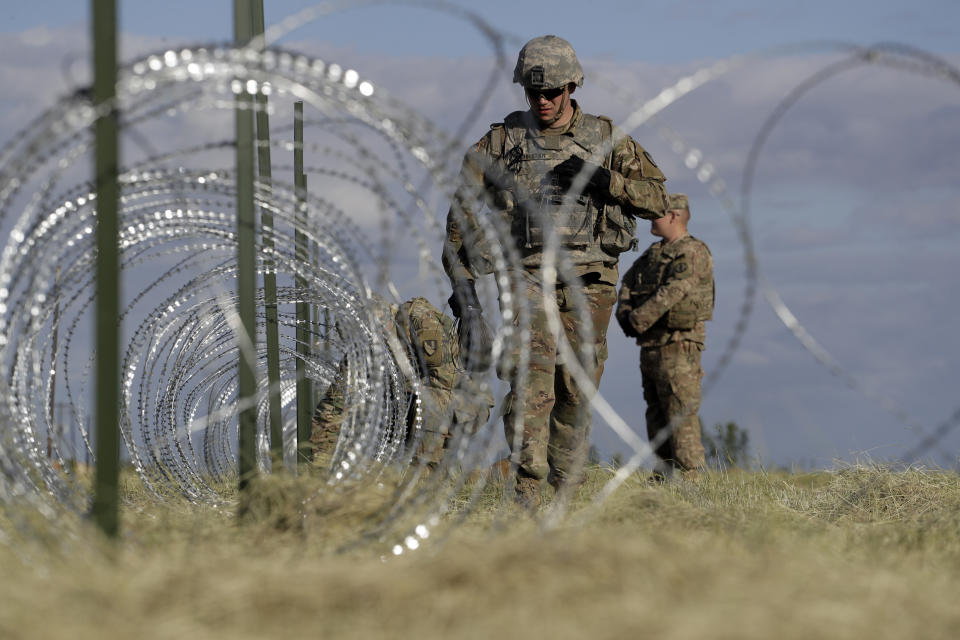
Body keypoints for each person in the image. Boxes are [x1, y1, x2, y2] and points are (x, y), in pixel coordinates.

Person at [443, 35, 669, 507]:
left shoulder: (606, 139)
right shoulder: (501, 143)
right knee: (531, 380)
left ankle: (565, 487)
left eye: (552, 92)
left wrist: (606, 179)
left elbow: (658, 202)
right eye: (533, 93)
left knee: (575, 390)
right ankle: (527, 495)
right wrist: (463, 292)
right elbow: (459, 220)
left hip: (591, 282)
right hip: (526, 277)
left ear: (571, 87)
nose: (542, 101)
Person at [311, 295, 493, 468]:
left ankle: (423, 478)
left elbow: (447, 385)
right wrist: (317, 463)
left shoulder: (421, 323)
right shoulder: (363, 352)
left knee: (426, 401)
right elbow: (332, 407)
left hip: (466, 403)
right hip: (415, 406)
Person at [615, 193, 714, 480]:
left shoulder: (693, 252)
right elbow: (629, 283)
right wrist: (625, 314)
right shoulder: (653, 254)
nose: (650, 219)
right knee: (656, 412)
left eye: (656, 213)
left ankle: (689, 476)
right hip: (652, 345)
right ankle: (663, 474)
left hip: (679, 344)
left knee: (679, 410)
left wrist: (637, 319)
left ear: (674, 215)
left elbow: (673, 291)